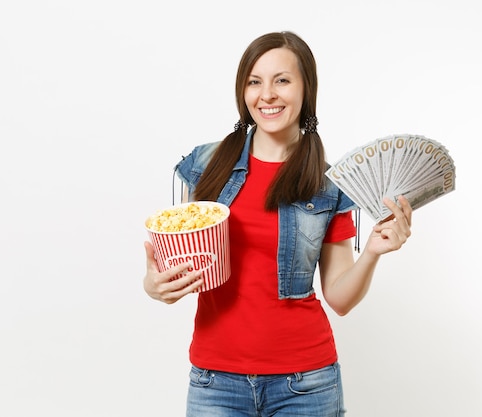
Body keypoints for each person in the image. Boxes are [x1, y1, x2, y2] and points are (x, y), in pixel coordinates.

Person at [143, 31, 412, 417]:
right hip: (215, 382)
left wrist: (372, 251)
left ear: (306, 89)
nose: (266, 94)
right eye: (255, 82)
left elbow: (339, 298)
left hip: (306, 385)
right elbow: (173, 269)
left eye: (281, 80)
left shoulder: (328, 183)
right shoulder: (207, 167)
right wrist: (154, 285)